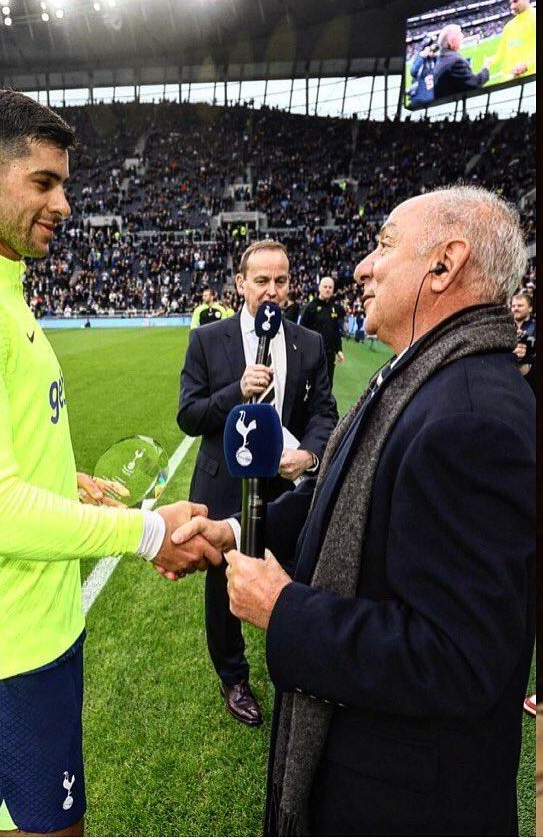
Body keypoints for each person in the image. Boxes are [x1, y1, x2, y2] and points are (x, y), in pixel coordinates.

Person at [0, 89, 219, 838]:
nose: (64, 203)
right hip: (5, 644)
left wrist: (59, 479)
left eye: (63, 183)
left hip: (25, 629)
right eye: (43, 182)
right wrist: (144, 531)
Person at [173, 186, 535, 835]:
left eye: (384, 244)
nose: (363, 265)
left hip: (404, 807)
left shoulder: (473, 416)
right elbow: (334, 493)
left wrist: (286, 609)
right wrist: (232, 531)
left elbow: (457, 659)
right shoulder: (421, 375)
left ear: (443, 265)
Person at [177, 240, 338, 727]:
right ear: (241, 284)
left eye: (281, 281)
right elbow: (189, 415)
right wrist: (236, 391)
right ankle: (233, 676)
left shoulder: (308, 342)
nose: (272, 291)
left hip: (286, 489)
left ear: (291, 285)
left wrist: (309, 453)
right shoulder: (208, 340)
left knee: (291, 575)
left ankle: (292, 664)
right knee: (223, 585)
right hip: (223, 485)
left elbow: (323, 413)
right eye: (262, 281)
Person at [300, 276, 345, 387]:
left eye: (330, 287)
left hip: (329, 355)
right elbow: (301, 330)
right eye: (325, 287)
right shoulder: (311, 307)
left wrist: (339, 350)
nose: (328, 289)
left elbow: (336, 331)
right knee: (311, 386)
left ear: (333, 290)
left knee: (327, 386)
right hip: (313, 354)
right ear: (319, 288)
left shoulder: (334, 308)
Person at [489, 0, 537, 82]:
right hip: (510, 83)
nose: (512, 7)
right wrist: (487, 63)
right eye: (511, 3)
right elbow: (500, 55)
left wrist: (527, 65)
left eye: (515, 1)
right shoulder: (508, 26)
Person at [433, 24, 490, 99]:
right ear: (451, 41)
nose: (462, 36)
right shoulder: (456, 61)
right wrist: (486, 68)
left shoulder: (442, 58)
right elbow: (475, 84)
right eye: (459, 34)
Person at [511, 289, 536, 394]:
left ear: (530, 308)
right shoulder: (504, 328)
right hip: (509, 381)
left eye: (520, 305)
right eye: (513, 306)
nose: (515, 309)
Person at [408, 34, 438, 108]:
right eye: (432, 50)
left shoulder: (433, 60)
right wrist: (422, 56)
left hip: (431, 94)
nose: (434, 52)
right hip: (420, 96)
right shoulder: (420, 58)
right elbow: (413, 72)